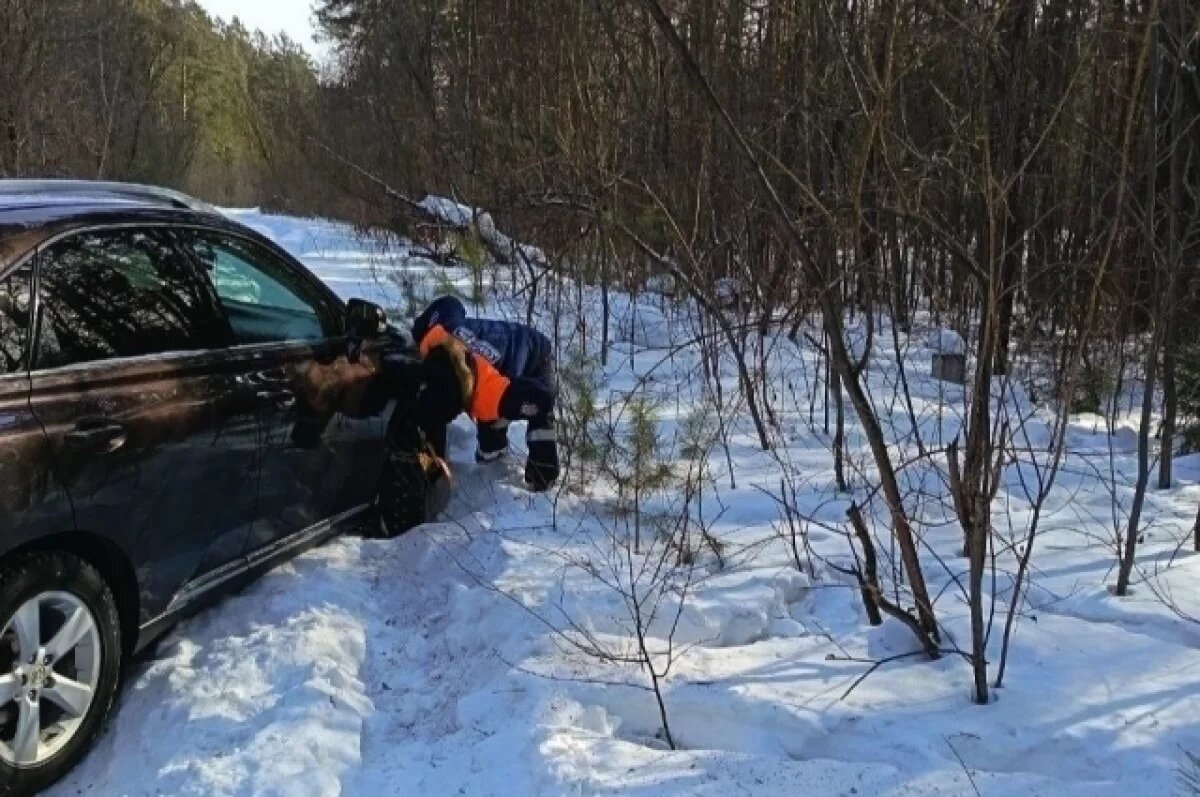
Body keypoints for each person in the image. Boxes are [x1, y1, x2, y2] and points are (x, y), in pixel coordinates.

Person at [411, 296, 559, 491]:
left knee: (536, 426)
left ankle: (542, 482)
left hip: (536, 354)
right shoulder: (438, 333)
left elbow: (543, 400)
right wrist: (419, 330)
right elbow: (450, 303)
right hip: (498, 353)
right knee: (490, 446)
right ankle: (493, 464)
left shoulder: (488, 392)